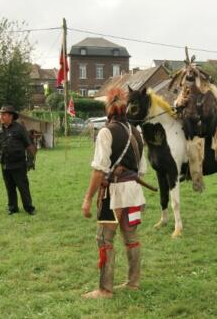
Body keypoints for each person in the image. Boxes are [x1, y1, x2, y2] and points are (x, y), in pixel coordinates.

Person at [81, 87, 147, 299]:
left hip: (114, 193)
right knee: (131, 237)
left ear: (108, 108)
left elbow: (99, 169)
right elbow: (142, 169)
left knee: (104, 238)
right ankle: (133, 282)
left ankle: (105, 289)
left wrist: (88, 198)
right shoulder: (137, 132)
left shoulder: (106, 132)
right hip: (135, 192)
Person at [0, 105, 37, 215]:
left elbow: (30, 145)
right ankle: (12, 208)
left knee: (23, 187)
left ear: (11, 116)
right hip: (5, 165)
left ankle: (29, 208)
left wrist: (30, 161)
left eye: (4, 114)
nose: (1, 116)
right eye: (1, 114)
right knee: (9, 187)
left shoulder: (19, 128)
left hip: (19, 164)